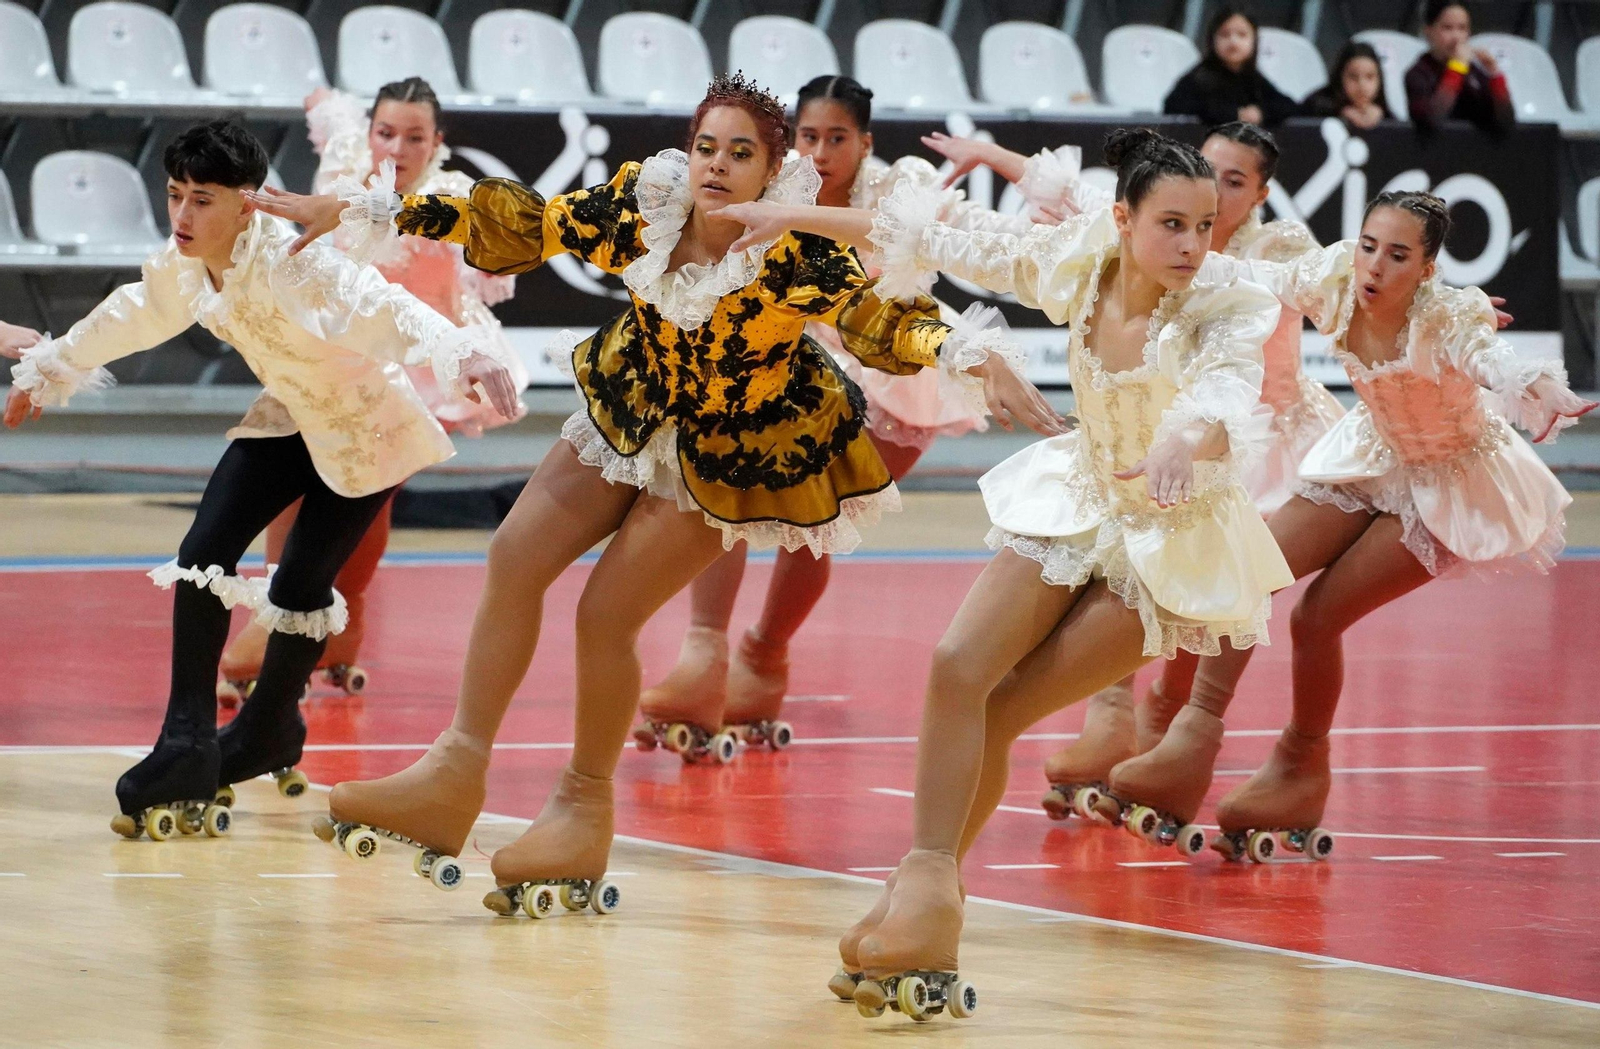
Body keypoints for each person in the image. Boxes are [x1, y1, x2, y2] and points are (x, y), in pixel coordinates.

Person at [245, 74, 1061, 910]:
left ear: (773, 166)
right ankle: (452, 773)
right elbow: (530, 221)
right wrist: (351, 212)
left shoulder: (792, 247)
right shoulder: (649, 200)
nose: (716, 164)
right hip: (634, 395)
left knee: (605, 614)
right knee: (515, 554)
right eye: (707, 145)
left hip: (733, 445)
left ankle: (583, 807)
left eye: (740, 152)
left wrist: (968, 353)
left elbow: (876, 318)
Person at [731, 128, 1290, 1014]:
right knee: (957, 668)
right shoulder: (1079, 260)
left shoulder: (1228, 301)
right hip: (1081, 495)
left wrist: (1189, 436)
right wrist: (786, 213)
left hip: (1168, 538)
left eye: (1205, 226)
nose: (1193, 245)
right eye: (1173, 224)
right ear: (1122, 219)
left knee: (1006, 705)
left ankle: (929, 899)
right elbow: (945, 235)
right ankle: (923, 885)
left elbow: (1226, 390)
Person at [1, 120, 519, 841]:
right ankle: (186, 740)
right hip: (289, 413)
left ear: (247, 203)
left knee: (299, 586)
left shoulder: (296, 261)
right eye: (176, 194)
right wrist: (48, 370)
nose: (182, 216)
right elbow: (134, 311)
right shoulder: (188, 260)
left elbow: (382, 304)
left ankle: (272, 724)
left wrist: (464, 350)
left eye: (202, 200)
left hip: (365, 424)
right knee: (201, 552)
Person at [1102, 191, 1594, 862]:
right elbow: (1258, 275)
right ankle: (1187, 749)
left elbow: (1487, 358)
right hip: (1371, 452)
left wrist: (1530, 381)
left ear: (1426, 269)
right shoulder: (1333, 277)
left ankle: (1300, 770)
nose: (1374, 267)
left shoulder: (1445, 316)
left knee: (1317, 619)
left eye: (1397, 256)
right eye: (1369, 246)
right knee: (1249, 570)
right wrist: (1168, 260)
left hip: (1447, 483)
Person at [921, 122, 1342, 820]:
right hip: (1123, 466)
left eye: (1230, 187)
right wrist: (991, 156)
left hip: (1247, 443)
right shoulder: (1125, 237)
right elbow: (1057, 204)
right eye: (1206, 177)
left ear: (1261, 194)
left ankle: (1181, 738)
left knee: (1222, 599)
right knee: (993, 659)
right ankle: (1118, 725)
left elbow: (1333, 287)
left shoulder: (1258, 262)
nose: (1200, 225)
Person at [636, 74, 1032, 750]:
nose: (821, 153)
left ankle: (762, 658)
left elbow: (944, 243)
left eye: (837, 138)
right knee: (718, 474)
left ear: (866, 142)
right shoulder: (775, 182)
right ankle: (704, 653)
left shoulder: (897, 186)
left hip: (889, 369)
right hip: (793, 359)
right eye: (810, 137)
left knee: (818, 517)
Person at [215, 76, 528, 707]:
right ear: (370, 134)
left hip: (411, 366)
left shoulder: (451, 198)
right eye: (386, 132)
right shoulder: (346, 164)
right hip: (330, 352)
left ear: (437, 142)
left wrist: (489, 258)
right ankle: (282, 610)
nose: (398, 147)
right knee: (293, 472)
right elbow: (329, 114)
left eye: (415, 136)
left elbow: (493, 255)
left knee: (372, 492)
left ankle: (345, 616)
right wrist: (316, 96)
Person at [1164, 7, 1299, 127]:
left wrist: (1261, 113)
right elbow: (1173, 105)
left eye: (1242, 35)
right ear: (1212, 40)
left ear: (1255, 41)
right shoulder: (1199, 77)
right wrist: (1233, 114)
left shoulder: (1253, 78)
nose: (1233, 42)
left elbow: (1288, 106)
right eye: (1224, 35)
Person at [1405, 1, 1515, 138]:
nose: (1456, 37)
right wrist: (1456, 69)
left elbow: (1506, 123)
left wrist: (1495, 75)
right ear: (1428, 31)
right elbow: (1431, 120)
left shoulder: (1474, 72)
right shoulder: (1417, 74)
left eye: (1462, 28)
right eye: (1447, 28)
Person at [1303, 41, 1393, 129]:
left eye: (1369, 77)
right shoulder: (1315, 106)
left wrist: (1381, 118)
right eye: (1353, 77)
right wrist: (1340, 113)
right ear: (1340, 78)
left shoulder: (1385, 114)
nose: (1362, 85)